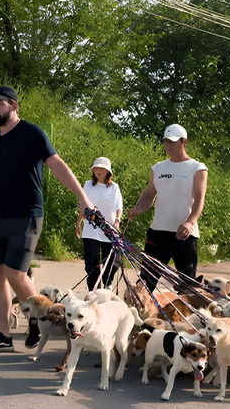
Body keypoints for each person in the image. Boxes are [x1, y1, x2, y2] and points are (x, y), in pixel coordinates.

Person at [0, 85, 94, 353]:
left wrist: (83, 199)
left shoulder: (32, 134)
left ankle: (40, 318)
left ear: (14, 106)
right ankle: (3, 336)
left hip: (26, 214)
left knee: (15, 272)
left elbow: (57, 165)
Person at [127, 124, 208, 291]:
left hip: (184, 234)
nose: (169, 145)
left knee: (187, 284)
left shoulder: (197, 168)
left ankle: (187, 315)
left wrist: (190, 222)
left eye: (173, 142)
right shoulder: (158, 168)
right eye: (166, 141)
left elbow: (200, 199)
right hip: (158, 232)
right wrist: (138, 209)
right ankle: (139, 314)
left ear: (184, 142)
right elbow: (149, 194)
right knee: (146, 280)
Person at [75, 157, 123, 291]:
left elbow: (119, 207)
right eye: (97, 168)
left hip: (108, 229)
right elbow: (83, 206)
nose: (99, 171)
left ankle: (108, 284)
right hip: (91, 229)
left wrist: (117, 221)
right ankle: (94, 290)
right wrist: (78, 224)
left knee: (111, 260)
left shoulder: (114, 187)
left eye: (102, 168)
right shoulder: (88, 185)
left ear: (108, 171)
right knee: (91, 262)